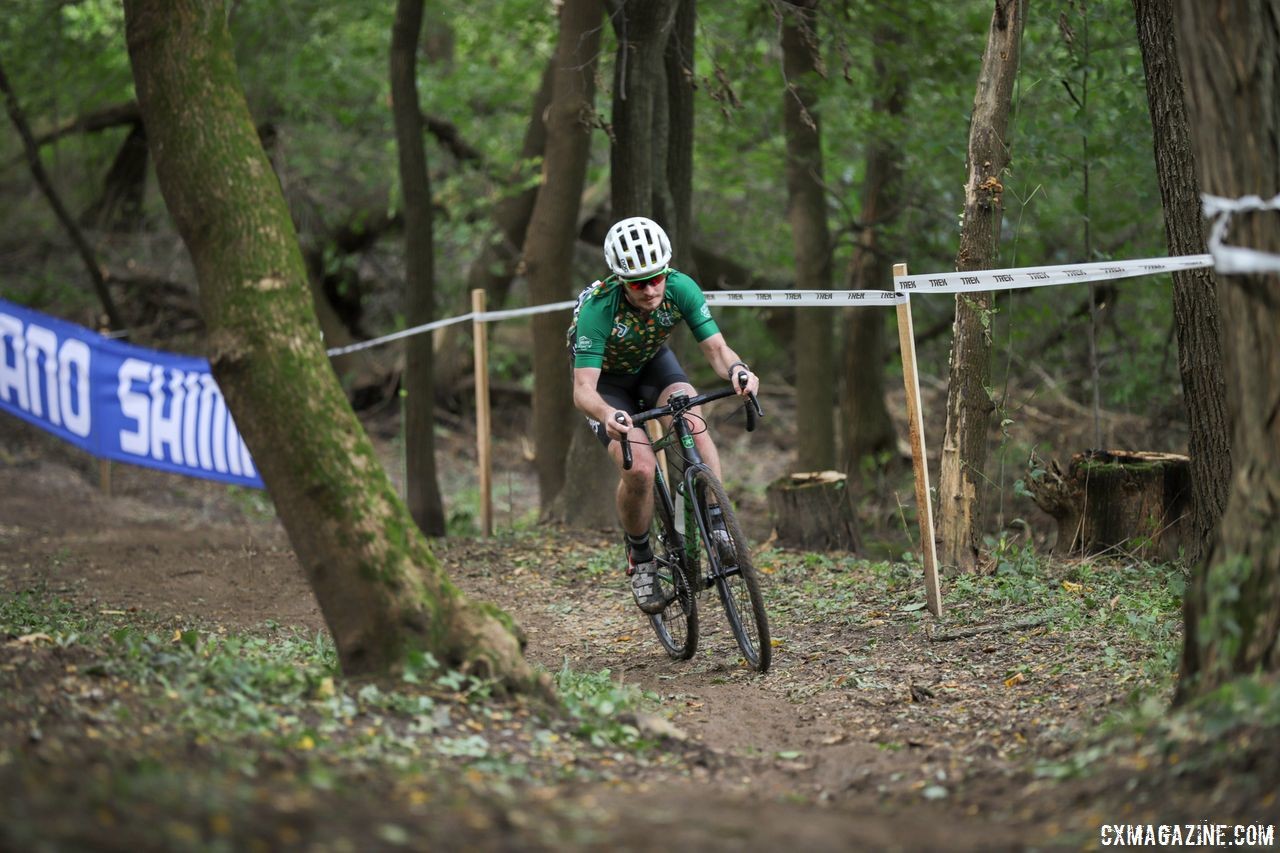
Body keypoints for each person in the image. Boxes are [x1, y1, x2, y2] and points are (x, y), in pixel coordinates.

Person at [568, 216, 760, 614]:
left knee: (691, 416)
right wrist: (607, 413)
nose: (651, 289)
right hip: (608, 384)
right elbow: (583, 389)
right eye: (639, 283)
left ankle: (718, 524)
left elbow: (718, 351)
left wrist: (739, 370)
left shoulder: (680, 287)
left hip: (653, 366)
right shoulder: (599, 310)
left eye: (656, 277)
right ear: (621, 280)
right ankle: (641, 560)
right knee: (638, 468)